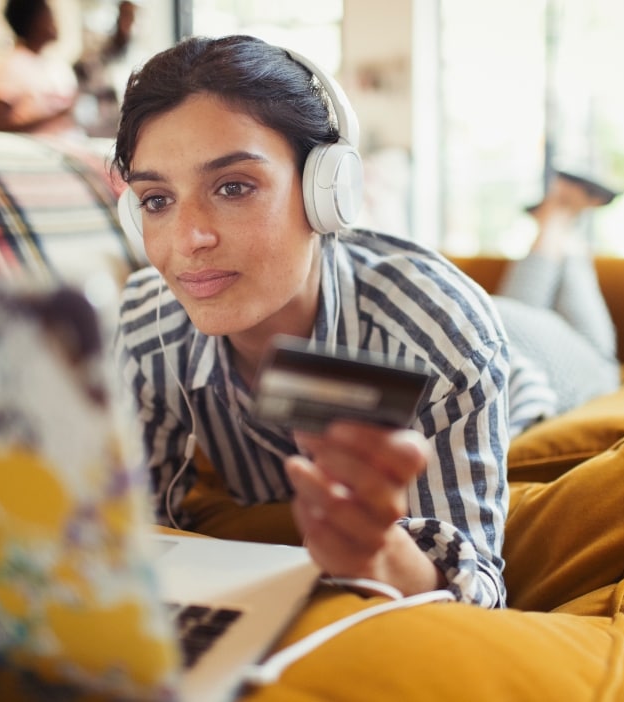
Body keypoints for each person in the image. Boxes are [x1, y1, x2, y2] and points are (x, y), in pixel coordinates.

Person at [111, 34, 513, 607]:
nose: (187, 241)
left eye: (233, 187)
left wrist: (386, 556)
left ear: (327, 190)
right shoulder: (146, 325)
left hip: (535, 369)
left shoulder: (442, 336)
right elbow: (132, 533)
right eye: (156, 200)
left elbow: (482, 598)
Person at [495, 170, 621, 436]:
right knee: (519, 308)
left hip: (514, 339)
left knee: (515, 311)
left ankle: (557, 217)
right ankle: (559, 218)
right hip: (582, 370)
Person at [0, 0, 84, 140]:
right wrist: (57, 116)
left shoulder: (58, 65)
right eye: (48, 15)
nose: (54, 21)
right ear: (32, 21)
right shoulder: (14, 65)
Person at [74, 1, 143, 138]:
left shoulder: (140, 59)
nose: (129, 25)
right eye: (125, 16)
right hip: (98, 135)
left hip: (127, 136)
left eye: (133, 18)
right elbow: (81, 102)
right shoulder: (92, 58)